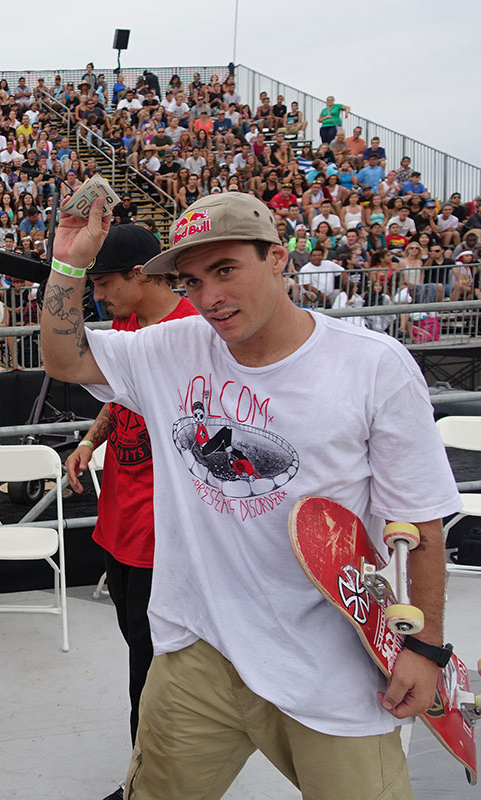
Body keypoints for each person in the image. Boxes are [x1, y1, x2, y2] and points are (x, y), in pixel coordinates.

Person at [41, 193, 457, 799]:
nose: (209, 297)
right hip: (198, 650)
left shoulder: (372, 366)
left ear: (279, 259)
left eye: (226, 270)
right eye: (192, 280)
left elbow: (419, 519)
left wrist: (424, 647)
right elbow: (63, 357)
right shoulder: (172, 349)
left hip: (332, 659)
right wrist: (69, 264)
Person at [61, 225, 198, 800]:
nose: (100, 298)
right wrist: (93, 440)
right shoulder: (126, 327)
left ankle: (148, 783)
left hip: (161, 539)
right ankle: (152, 773)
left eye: (105, 284)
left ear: (140, 275)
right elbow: (119, 399)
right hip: (121, 525)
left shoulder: (193, 332)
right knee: (138, 657)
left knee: (154, 671)